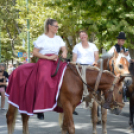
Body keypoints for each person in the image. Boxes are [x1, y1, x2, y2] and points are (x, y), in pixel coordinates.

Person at [5, 18, 67, 120]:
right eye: (56, 26)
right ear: (49, 26)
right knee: (45, 79)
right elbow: (35, 53)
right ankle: (39, 108)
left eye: (57, 26)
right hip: (45, 61)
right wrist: (48, 57)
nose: (57, 28)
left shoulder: (58, 39)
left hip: (57, 60)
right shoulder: (42, 38)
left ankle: (67, 101)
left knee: (69, 75)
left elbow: (64, 48)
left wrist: (64, 52)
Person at [72, 30, 99, 114]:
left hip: (91, 67)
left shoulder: (93, 46)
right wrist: (75, 64)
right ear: (80, 37)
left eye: (84, 35)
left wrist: (95, 61)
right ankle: (74, 104)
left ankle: (98, 103)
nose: (82, 37)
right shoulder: (77, 46)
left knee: (98, 81)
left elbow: (96, 55)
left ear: (87, 36)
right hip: (80, 67)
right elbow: (74, 58)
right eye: (81, 36)